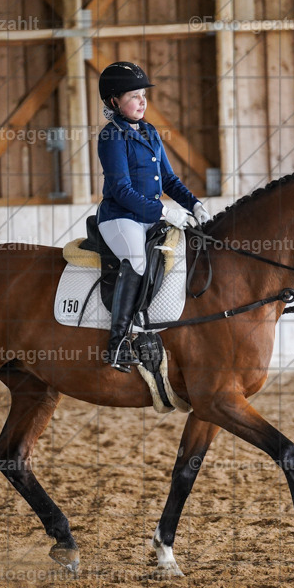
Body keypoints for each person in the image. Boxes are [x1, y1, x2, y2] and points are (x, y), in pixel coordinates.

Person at [95, 61, 212, 372]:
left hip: (149, 215)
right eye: (134, 96)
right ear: (114, 101)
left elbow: (169, 180)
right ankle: (118, 343)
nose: (142, 101)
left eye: (143, 95)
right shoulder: (111, 137)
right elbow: (121, 190)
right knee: (137, 260)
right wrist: (164, 211)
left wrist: (194, 205)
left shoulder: (149, 131)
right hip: (121, 217)